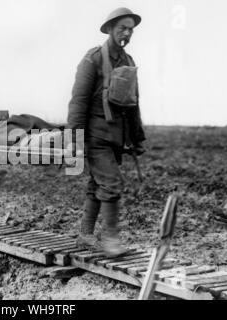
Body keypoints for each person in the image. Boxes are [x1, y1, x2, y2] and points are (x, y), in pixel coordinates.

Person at [67, 8, 146, 257]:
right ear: (110, 29)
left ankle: (85, 235)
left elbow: (133, 102)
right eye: (122, 27)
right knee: (111, 184)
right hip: (95, 136)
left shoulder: (129, 62)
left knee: (97, 184)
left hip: (117, 136)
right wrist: (75, 140)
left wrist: (136, 138)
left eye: (131, 29)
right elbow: (78, 102)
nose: (127, 33)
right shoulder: (92, 60)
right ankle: (111, 239)